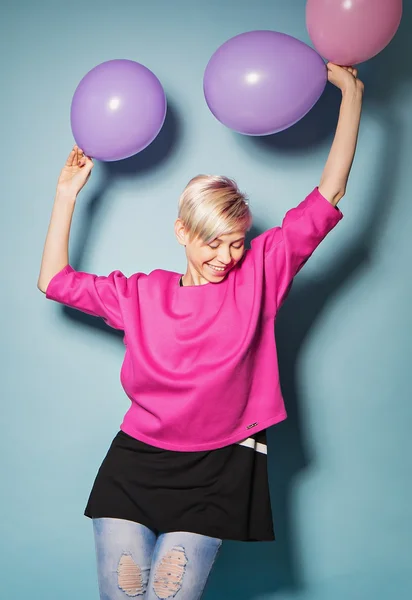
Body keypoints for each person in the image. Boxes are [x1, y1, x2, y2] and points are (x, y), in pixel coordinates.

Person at [38, 63, 363, 600]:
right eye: (212, 242)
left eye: (236, 241)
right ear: (182, 232)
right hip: (137, 461)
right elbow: (53, 281)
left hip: (221, 465)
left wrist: (351, 93)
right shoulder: (140, 293)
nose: (226, 256)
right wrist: (68, 194)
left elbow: (330, 191)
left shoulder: (261, 271)